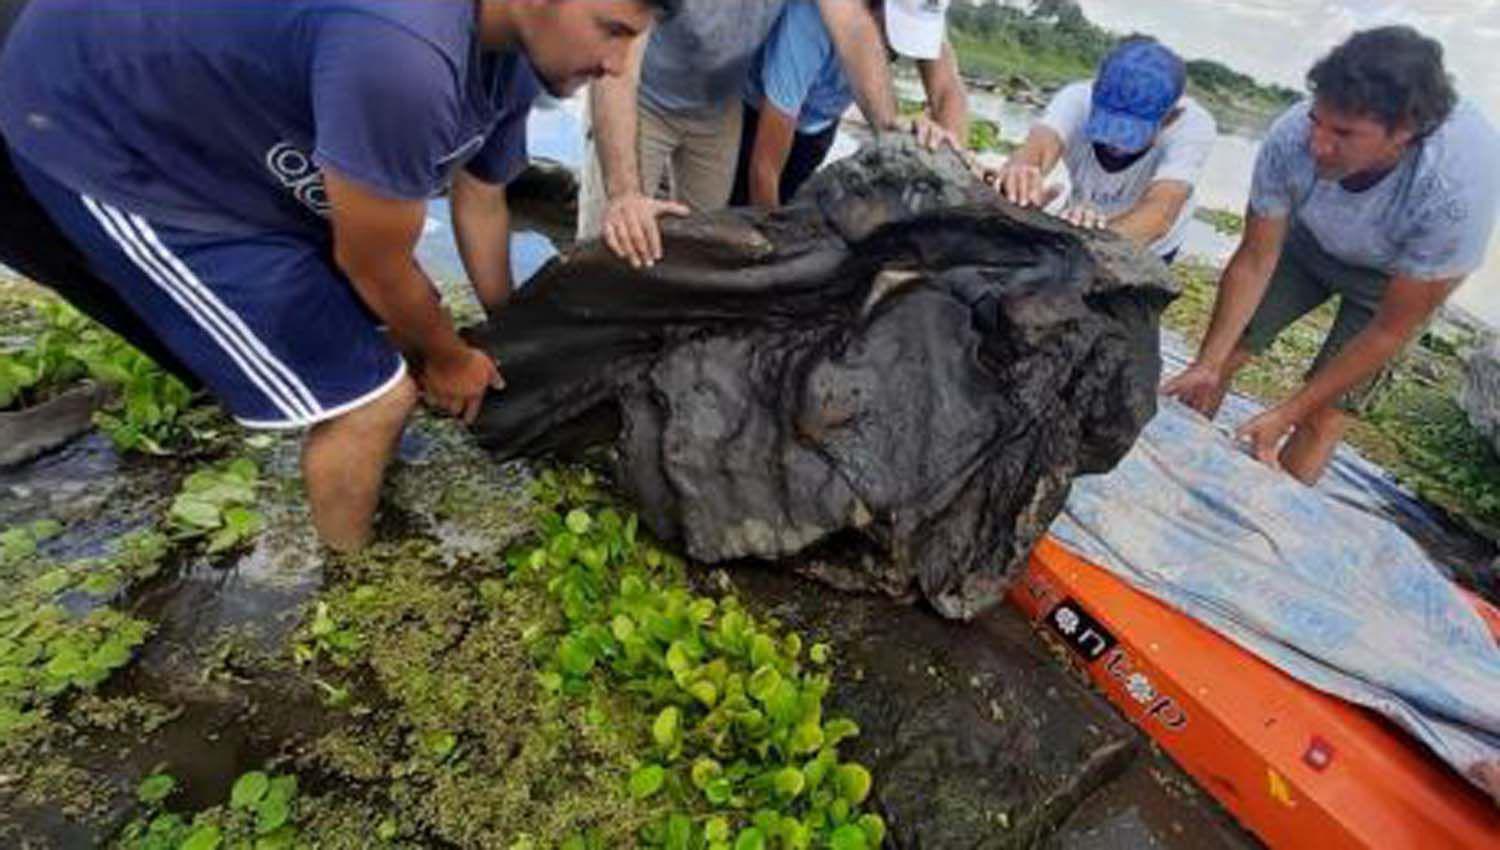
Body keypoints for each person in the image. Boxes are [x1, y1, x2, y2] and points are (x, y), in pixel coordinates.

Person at [0, 0, 674, 550]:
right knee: (369, 399)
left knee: (389, 329)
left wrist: (509, 339)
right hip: (109, 130)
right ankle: (346, 582)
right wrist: (443, 356)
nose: (616, 66)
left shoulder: (522, 53)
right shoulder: (404, 55)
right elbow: (372, 262)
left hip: (233, 122)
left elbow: (483, 196)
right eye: (611, 30)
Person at [1162, 26, 1499, 484]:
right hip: (1308, 242)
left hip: (1392, 281)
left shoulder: (1456, 188)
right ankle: (1173, 475)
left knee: (1323, 414)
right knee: (1223, 357)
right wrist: (1206, 363)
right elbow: (1256, 258)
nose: (1319, 144)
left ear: (1404, 132)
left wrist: (1287, 412)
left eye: (1344, 133)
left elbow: (1390, 330)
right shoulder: (1290, 136)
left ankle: (1270, 524)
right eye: (1317, 121)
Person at [577, 0, 915, 269]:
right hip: (643, 98)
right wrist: (623, 193)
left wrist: (892, 135)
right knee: (609, 242)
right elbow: (613, 54)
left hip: (719, 109)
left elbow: (853, 27)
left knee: (704, 251)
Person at [992, 37, 1215, 263]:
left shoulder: (1192, 128)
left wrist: (1088, 240)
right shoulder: (1075, 99)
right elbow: (1037, 149)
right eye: (1108, 127)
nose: (1115, 146)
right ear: (1094, 92)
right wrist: (1021, 177)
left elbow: (1160, 212)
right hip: (1083, 218)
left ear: (1170, 117)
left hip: (1152, 245)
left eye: (1131, 134)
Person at [730, 0, 969, 208]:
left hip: (819, 126)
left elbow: (947, 88)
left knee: (792, 195)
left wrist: (948, 158)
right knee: (746, 207)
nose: (892, 48)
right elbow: (764, 167)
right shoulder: (808, 24)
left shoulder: (924, 8)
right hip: (757, 116)